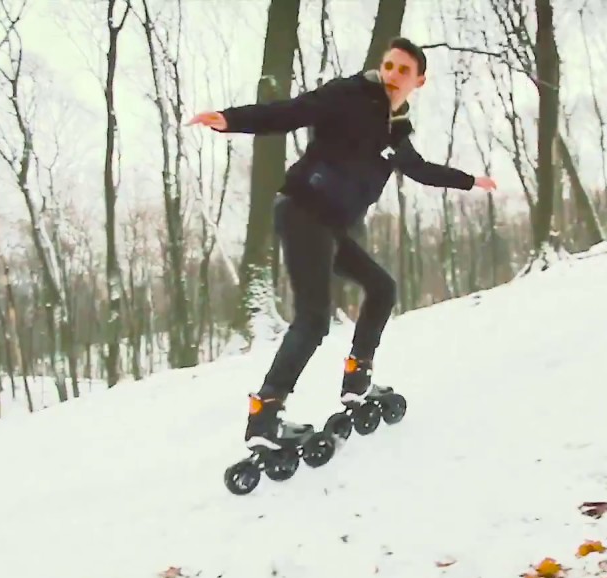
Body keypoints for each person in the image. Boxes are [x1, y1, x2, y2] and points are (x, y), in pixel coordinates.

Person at [188, 37, 497, 450]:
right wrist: (231, 119)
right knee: (313, 319)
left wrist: (470, 181)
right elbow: (292, 111)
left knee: (382, 288)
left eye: (404, 71)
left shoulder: (396, 131)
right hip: (302, 210)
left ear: (419, 81)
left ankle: (357, 380)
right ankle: (266, 414)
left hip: (331, 226)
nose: (393, 75)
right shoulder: (349, 94)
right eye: (390, 66)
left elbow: (420, 169)